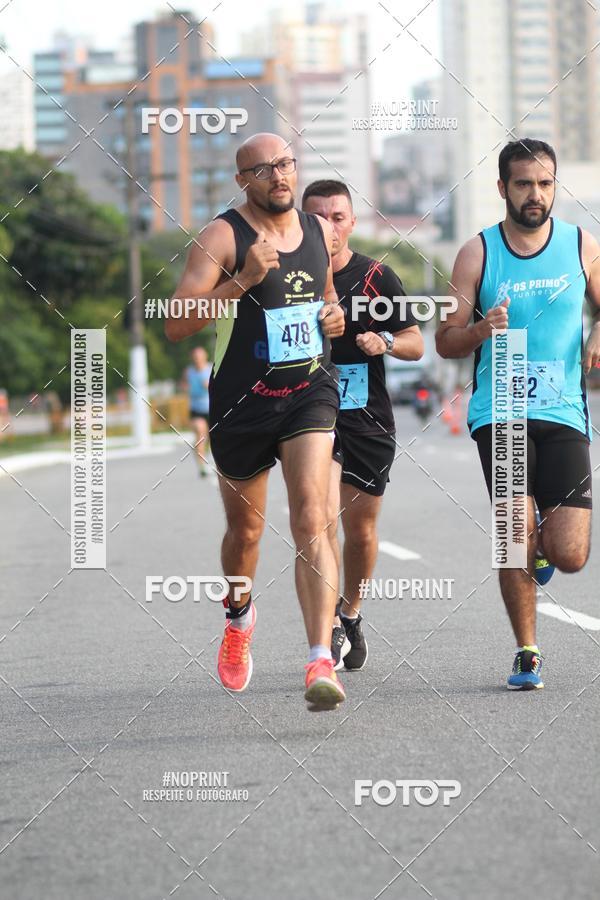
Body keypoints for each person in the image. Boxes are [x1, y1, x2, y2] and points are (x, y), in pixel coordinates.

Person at [166, 133, 347, 710]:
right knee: (245, 534)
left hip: (308, 392)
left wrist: (334, 316)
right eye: (263, 168)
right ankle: (238, 618)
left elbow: (325, 294)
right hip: (241, 404)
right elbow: (176, 322)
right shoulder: (222, 235)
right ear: (242, 180)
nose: (279, 175)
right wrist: (241, 279)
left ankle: (321, 658)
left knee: (313, 517)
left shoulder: (318, 230)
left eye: (287, 163)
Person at [436, 138, 600, 690]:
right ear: (503, 188)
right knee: (513, 530)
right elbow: (445, 340)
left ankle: (544, 554)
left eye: (546, 183)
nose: (537, 194)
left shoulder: (581, 245)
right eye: (525, 184)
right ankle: (526, 651)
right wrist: (481, 330)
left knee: (571, 553)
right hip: (499, 409)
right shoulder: (478, 253)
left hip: (563, 409)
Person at [302, 180, 424, 670]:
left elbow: (415, 340)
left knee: (362, 529)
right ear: (303, 223)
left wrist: (386, 343)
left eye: (338, 216)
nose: (329, 226)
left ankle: (350, 612)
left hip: (367, 416)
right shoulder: (290, 277)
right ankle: (326, 625)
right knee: (320, 519)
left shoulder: (377, 277)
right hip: (311, 415)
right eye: (318, 217)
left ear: (352, 222)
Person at [183, 346, 212, 476]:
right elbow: (184, 387)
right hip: (196, 410)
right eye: (195, 358)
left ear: (205, 357)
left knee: (213, 438)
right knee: (200, 433)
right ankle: (202, 467)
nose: (198, 360)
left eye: (200, 357)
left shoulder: (211, 368)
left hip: (212, 409)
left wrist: (209, 386)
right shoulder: (189, 372)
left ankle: (210, 459)